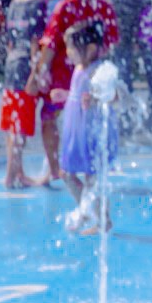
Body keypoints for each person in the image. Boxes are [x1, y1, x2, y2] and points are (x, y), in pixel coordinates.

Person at [36, 0, 120, 184]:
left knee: (49, 118)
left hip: (65, 73)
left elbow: (51, 43)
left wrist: (41, 71)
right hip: (93, 73)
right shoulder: (104, 8)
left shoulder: (65, 6)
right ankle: (91, 164)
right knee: (90, 120)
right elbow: (111, 46)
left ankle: (56, 169)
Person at [56, 23, 122, 232]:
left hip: (91, 133)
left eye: (72, 47)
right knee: (66, 174)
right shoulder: (79, 69)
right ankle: (86, 211)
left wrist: (96, 97)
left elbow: (116, 96)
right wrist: (65, 95)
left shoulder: (101, 70)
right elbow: (78, 95)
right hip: (75, 132)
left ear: (91, 48)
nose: (68, 52)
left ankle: (102, 219)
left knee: (91, 178)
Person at [2, 0, 59, 189]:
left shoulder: (15, 2)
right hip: (26, 68)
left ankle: (17, 173)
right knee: (21, 127)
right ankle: (10, 176)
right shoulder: (37, 5)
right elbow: (37, 43)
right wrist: (36, 74)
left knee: (13, 124)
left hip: (11, 66)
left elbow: (9, 42)